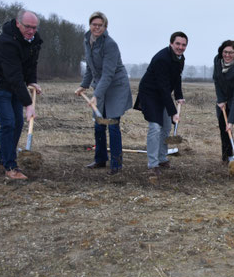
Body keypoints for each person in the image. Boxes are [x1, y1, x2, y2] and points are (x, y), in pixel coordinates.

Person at [0, 9, 43, 180]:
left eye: (34, 27)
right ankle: (10, 167)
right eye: (28, 27)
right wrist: (28, 104)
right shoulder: (7, 41)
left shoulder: (34, 40)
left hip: (15, 83)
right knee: (8, 122)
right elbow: (13, 75)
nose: (31, 31)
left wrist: (32, 81)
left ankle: (3, 157)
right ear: (18, 23)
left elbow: (31, 64)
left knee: (17, 122)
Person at [75, 11, 132, 175]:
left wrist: (96, 95)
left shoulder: (110, 45)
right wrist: (83, 86)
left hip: (116, 86)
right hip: (101, 85)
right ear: (90, 25)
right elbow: (91, 68)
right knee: (99, 124)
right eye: (94, 24)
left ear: (105, 27)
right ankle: (100, 159)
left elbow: (108, 74)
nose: (97, 28)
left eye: (100, 25)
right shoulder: (88, 41)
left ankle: (116, 164)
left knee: (112, 124)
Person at [133, 32, 187, 175]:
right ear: (171, 44)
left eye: (183, 45)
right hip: (149, 94)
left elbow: (177, 78)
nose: (180, 47)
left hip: (162, 94)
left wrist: (179, 96)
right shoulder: (162, 59)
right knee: (155, 127)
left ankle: (162, 158)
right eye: (178, 44)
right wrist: (173, 112)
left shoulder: (180, 58)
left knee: (167, 126)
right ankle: (153, 163)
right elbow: (163, 88)